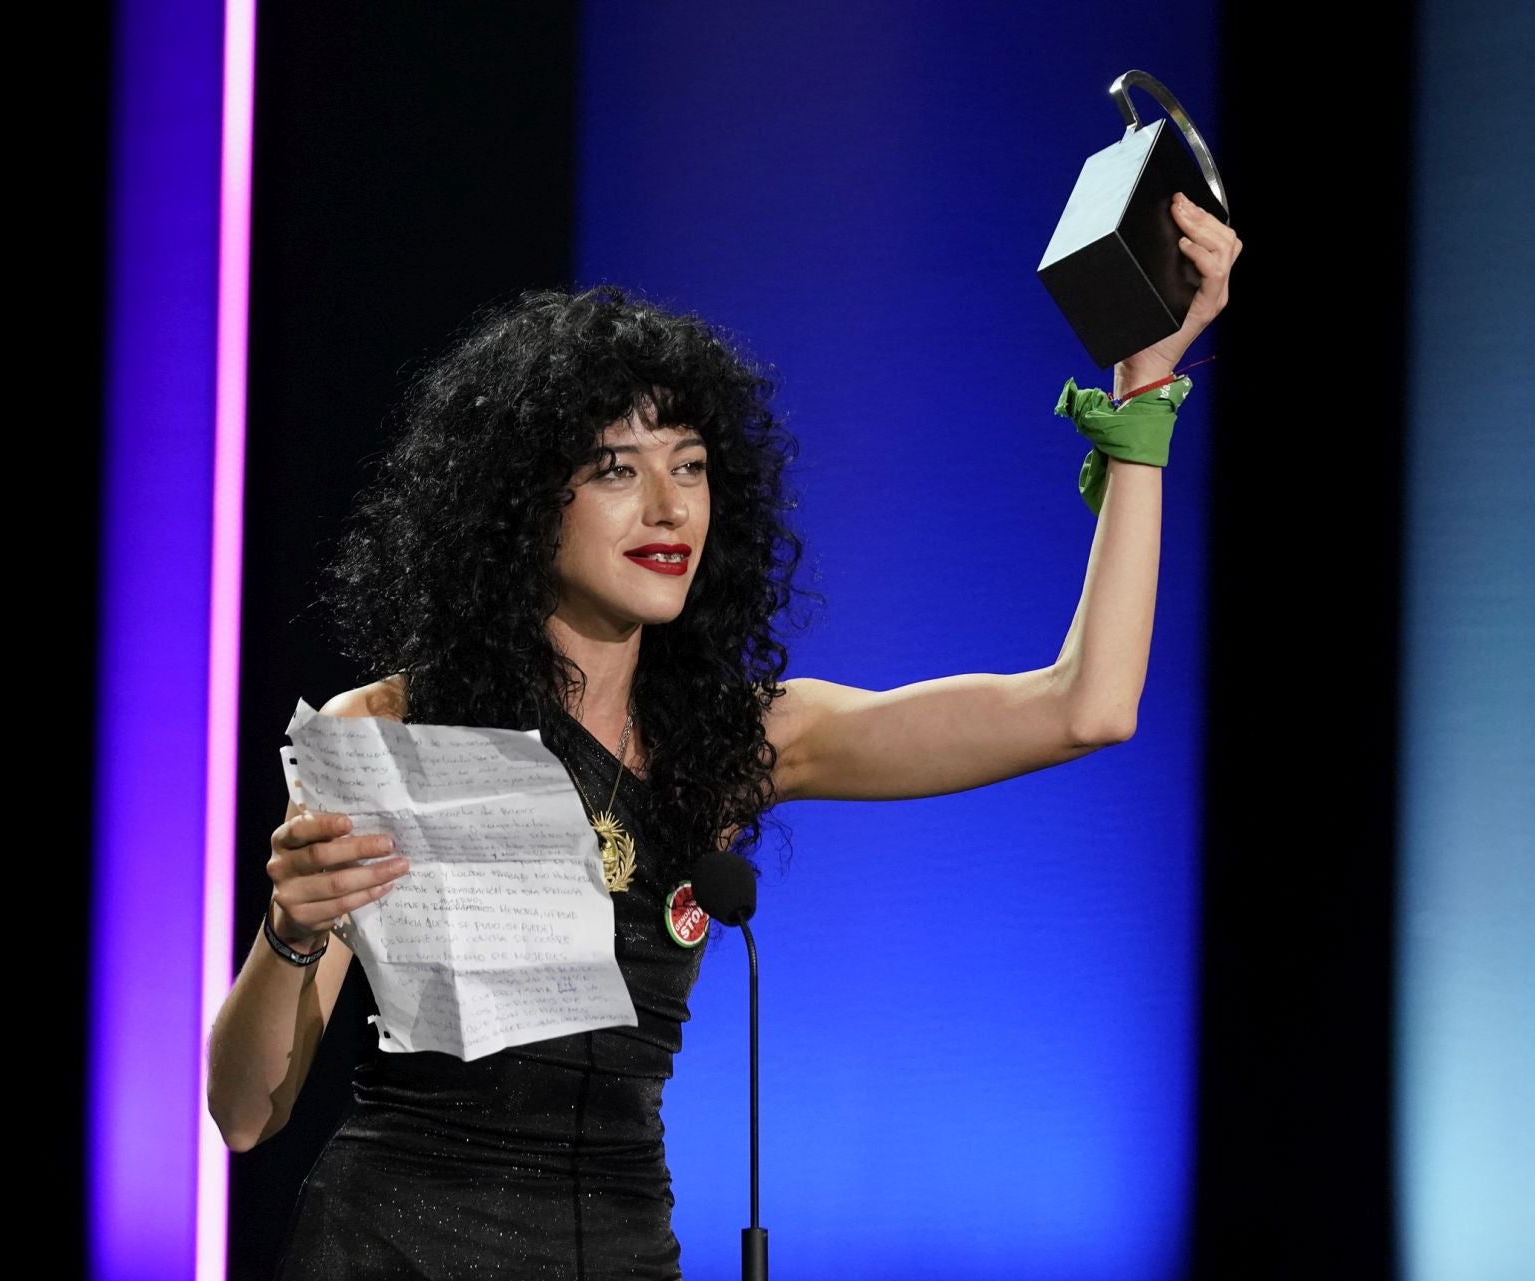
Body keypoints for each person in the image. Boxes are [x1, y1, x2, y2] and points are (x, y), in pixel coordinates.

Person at [208, 194, 1242, 1279]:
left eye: (691, 465)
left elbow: (1088, 705)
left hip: (617, 1252)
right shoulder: (389, 729)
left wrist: (1144, 397)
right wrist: (290, 932)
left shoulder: (740, 741)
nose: (668, 507)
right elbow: (243, 1113)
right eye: (616, 468)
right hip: (389, 1250)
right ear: (521, 504)